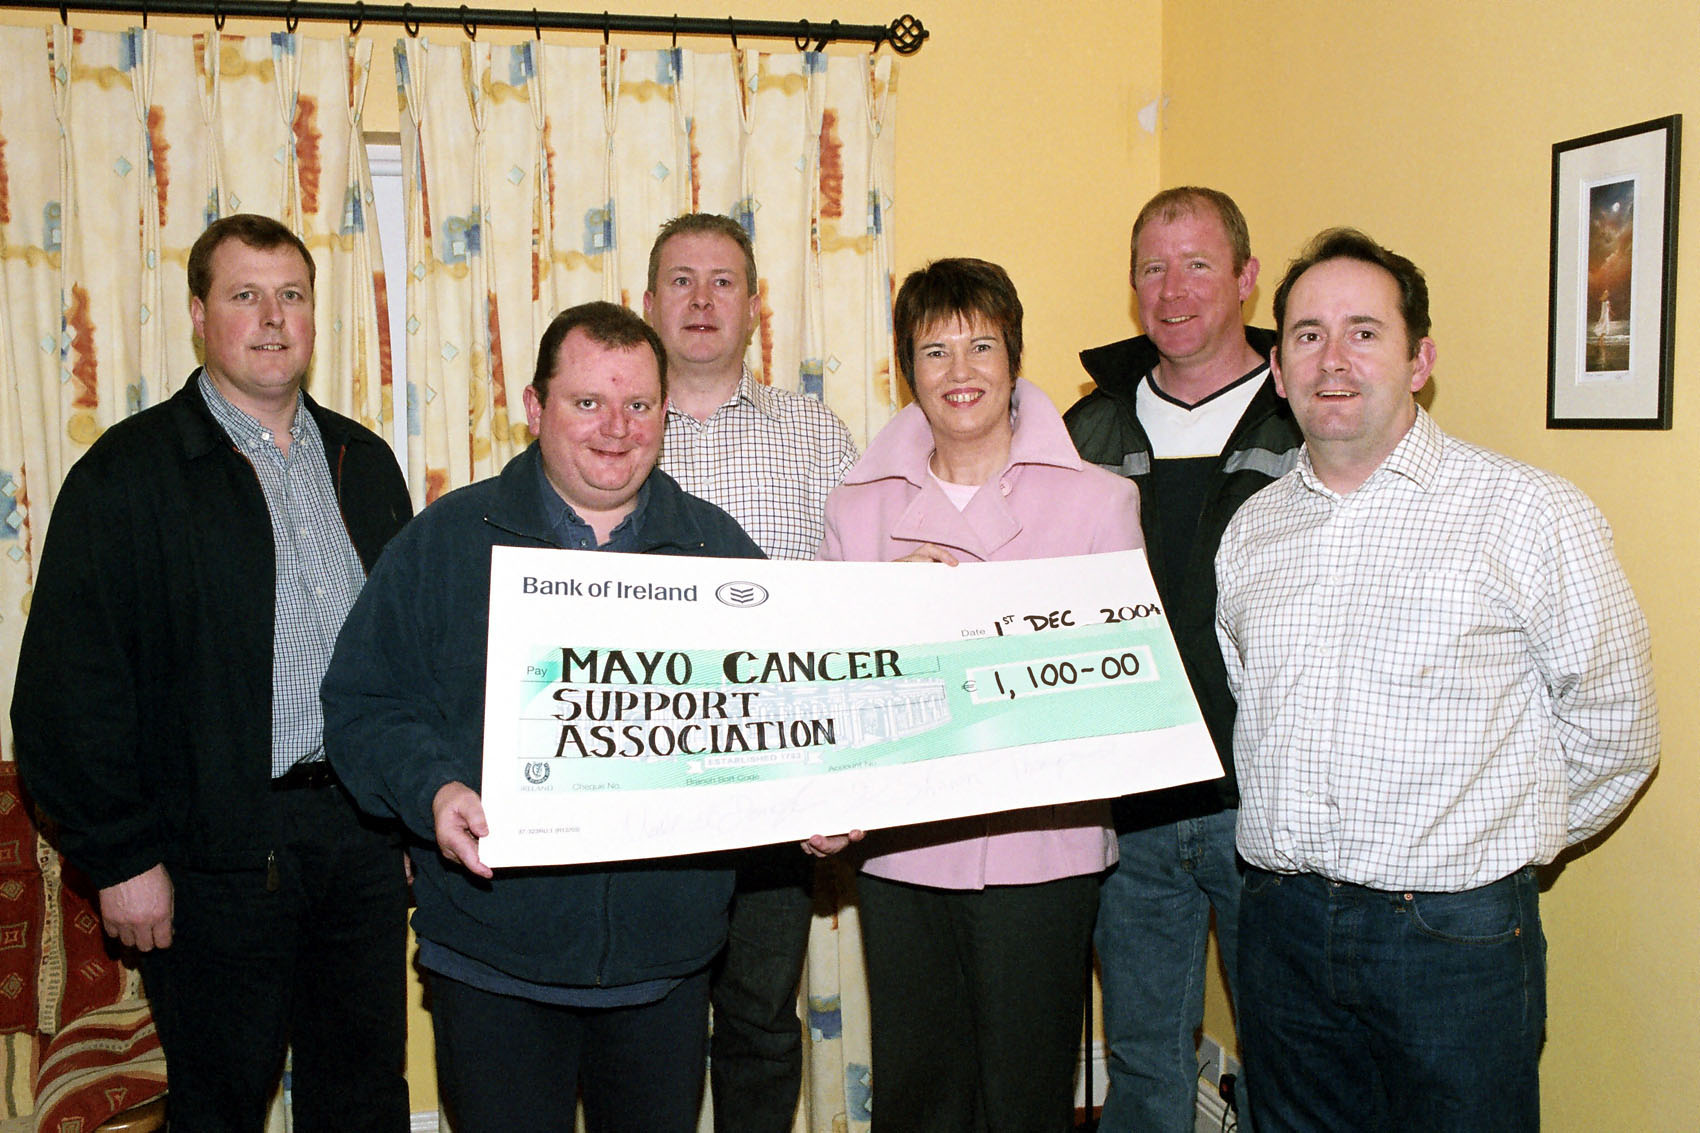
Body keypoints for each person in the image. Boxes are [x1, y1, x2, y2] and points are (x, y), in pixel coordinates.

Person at [1216, 227, 1659, 1132]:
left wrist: (1499, 841)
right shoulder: (1253, 529)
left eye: (1364, 332)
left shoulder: (1529, 513)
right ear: (1276, 367)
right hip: (1279, 927)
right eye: (1305, 334)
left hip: (1452, 942)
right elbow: (1248, 694)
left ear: (1420, 360)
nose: (1332, 359)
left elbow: (1619, 726)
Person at [11, 214, 413, 1131]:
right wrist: (119, 856)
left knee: (363, 1100)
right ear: (199, 314)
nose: (272, 317)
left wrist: (416, 813)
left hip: (361, 843)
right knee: (219, 1106)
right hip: (214, 854)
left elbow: (411, 659)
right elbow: (68, 692)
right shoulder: (130, 473)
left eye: (293, 295)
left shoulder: (365, 461)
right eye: (245, 295)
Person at [322, 301, 764, 1133]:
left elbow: (774, 717)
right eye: (586, 402)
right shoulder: (445, 541)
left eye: (638, 405)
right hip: (491, 961)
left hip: (664, 967)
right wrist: (433, 791)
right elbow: (363, 703)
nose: (615, 429)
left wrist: (819, 800)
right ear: (534, 407)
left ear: (665, 413)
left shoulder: (721, 553)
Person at [809, 258, 1140, 1131]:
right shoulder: (854, 509)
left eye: (982, 345)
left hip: (1044, 844)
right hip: (904, 848)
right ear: (905, 370)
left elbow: (1122, 683)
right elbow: (834, 688)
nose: (961, 372)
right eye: (936, 350)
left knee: (1025, 1093)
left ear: (1015, 357)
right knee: (919, 1090)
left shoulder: (1104, 502)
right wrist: (886, 611)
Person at [1064, 186, 1299, 1130]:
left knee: (1288, 1058)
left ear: (1246, 277)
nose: (1174, 289)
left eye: (1199, 263)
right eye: (1153, 268)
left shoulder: (1304, 415)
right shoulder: (1085, 433)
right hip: (1133, 807)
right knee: (1146, 1066)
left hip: (1271, 804)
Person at [643, 212, 858, 1132]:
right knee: (645, 1024)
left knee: (762, 1023)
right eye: (681, 280)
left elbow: (855, 605)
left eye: (723, 281)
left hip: (777, 782)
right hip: (643, 779)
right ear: (646, 304)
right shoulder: (608, 424)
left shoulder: (814, 433)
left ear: (755, 305)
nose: (701, 300)